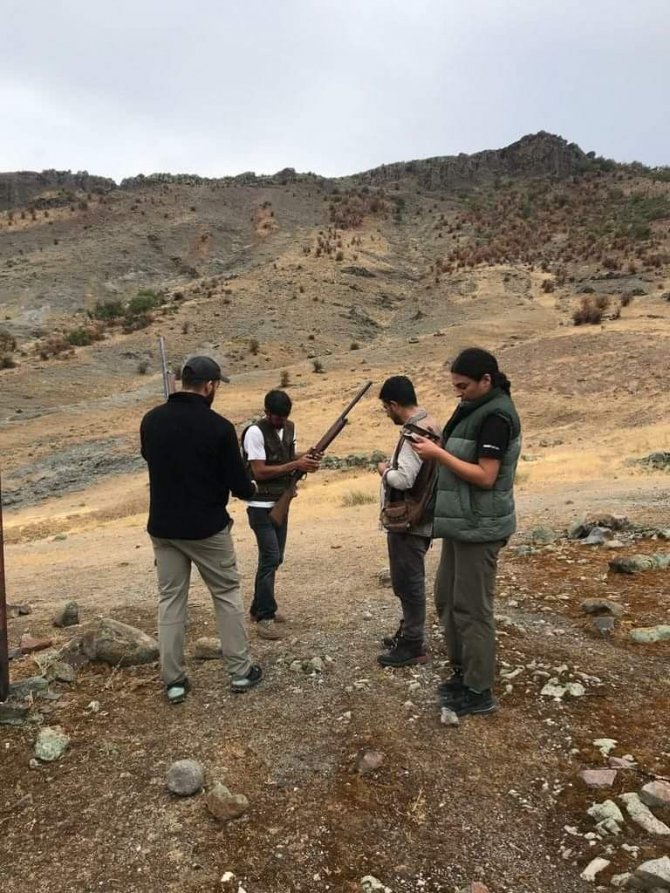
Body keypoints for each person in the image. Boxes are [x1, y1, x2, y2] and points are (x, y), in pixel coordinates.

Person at [140, 355, 263, 704]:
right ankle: (240, 672)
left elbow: (151, 458)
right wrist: (254, 490)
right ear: (210, 385)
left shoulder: (151, 420)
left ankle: (174, 680)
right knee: (225, 594)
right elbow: (240, 485)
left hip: (163, 527)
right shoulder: (219, 427)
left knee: (171, 600)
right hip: (207, 529)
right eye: (217, 386)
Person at [411, 348, 521, 717]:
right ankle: (462, 671)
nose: (457, 391)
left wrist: (437, 455)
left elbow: (486, 477)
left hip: (480, 526)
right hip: (460, 523)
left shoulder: (497, 416)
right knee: (447, 598)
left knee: (474, 609)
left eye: (463, 385)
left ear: (486, 380)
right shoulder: (472, 407)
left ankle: (479, 689)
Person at [242, 390, 320, 639]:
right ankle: (265, 616)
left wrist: (306, 458)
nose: (280, 422)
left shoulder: (289, 427)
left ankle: (258, 608)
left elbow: (288, 457)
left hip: (281, 504)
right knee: (270, 557)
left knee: (276, 558)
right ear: (266, 413)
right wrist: (296, 465)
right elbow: (260, 471)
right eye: (276, 418)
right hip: (259, 506)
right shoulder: (254, 433)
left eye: (284, 417)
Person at [376, 376, 440, 667]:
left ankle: (413, 643)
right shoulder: (429, 423)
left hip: (409, 521)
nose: (386, 414)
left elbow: (404, 478)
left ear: (393, 404)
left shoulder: (414, 432)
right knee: (407, 580)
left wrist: (384, 470)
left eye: (386, 408)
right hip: (420, 517)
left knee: (409, 582)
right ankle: (409, 634)